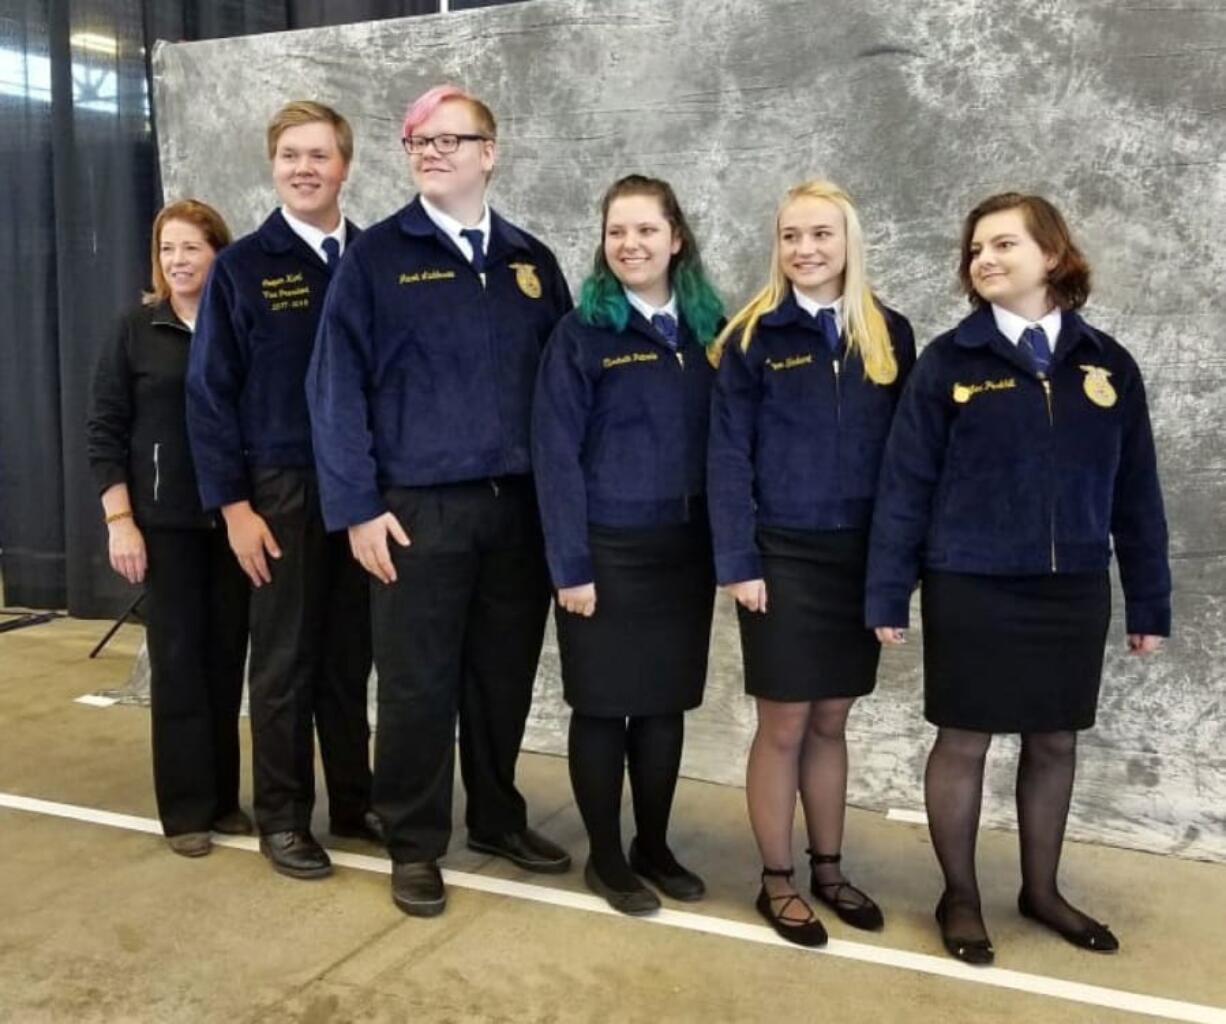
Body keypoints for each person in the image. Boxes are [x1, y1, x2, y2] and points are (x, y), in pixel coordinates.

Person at [866, 192, 1171, 964]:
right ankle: (960, 896)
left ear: (1053, 256)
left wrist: (1149, 599)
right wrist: (887, 589)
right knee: (964, 740)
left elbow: (1136, 490)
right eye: (975, 251)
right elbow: (905, 485)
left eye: (1003, 245)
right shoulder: (949, 362)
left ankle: (1042, 890)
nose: (985, 261)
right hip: (971, 582)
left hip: (1071, 589)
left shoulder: (1107, 365)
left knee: (1054, 742)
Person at [306, 84, 573, 917]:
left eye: (448, 140)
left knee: (502, 679)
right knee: (419, 687)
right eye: (418, 141)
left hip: (517, 511)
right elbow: (334, 388)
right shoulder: (377, 257)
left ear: (488, 153)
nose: (430, 152)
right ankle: (415, 841)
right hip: (416, 513)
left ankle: (496, 818)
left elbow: (567, 395)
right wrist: (355, 506)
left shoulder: (532, 261)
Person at [708, 180, 916, 946]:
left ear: (848, 241)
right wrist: (739, 558)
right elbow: (727, 458)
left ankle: (829, 869)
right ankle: (777, 880)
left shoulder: (889, 333)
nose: (806, 250)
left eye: (821, 235)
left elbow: (907, 461)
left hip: (858, 559)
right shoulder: (752, 336)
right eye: (792, 236)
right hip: (781, 556)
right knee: (786, 722)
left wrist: (894, 572)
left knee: (833, 716)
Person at [186, 101, 376, 881]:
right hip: (279, 490)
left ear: (345, 165)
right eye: (290, 155)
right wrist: (233, 507)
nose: (305, 168)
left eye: (320, 155)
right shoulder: (242, 269)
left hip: (361, 489)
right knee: (285, 662)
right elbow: (208, 397)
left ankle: (357, 807)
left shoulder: (374, 258)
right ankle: (285, 818)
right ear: (273, 166)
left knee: (350, 659)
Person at [532, 174, 723, 915]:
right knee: (605, 707)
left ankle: (654, 843)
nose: (631, 244)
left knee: (665, 706)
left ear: (676, 238)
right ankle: (607, 857)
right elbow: (555, 457)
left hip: (684, 552)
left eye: (646, 230)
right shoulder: (582, 334)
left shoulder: (711, 331)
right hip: (605, 552)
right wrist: (570, 566)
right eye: (617, 232)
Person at [87, 199, 250, 858]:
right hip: (163, 525)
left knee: (225, 661)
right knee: (179, 665)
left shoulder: (238, 323)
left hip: (232, 520)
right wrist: (120, 520)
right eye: (167, 249)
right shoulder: (135, 329)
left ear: (219, 254)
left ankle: (222, 798)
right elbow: (104, 431)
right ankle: (185, 812)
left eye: (191, 248)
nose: (178, 261)